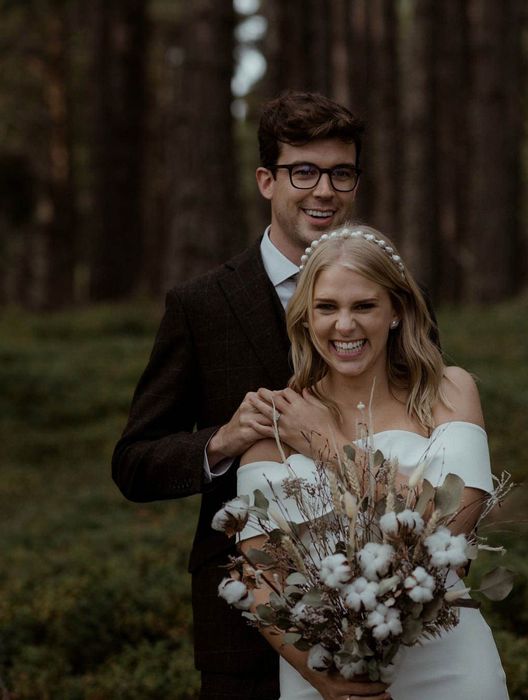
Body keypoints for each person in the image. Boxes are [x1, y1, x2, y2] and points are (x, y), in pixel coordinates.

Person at [112, 92, 384, 699]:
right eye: (303, 172)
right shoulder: (201, 305)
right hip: (245, 622)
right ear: (267, 180)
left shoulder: (390, 297)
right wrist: (223, 441)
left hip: (385, 603)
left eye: (341, 173)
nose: (324, 190)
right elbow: (133, 462)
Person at [237, 225, 510, 699]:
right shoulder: (272, 425)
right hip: (326, 673)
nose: (345, 326)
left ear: (397, 311)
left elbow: (447, 530)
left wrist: (325, 442)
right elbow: (260, 578)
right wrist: (327, 679)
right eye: (327, 308)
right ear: (304, 317)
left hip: (450, 664)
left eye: (364, 306)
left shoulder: (449, 393)